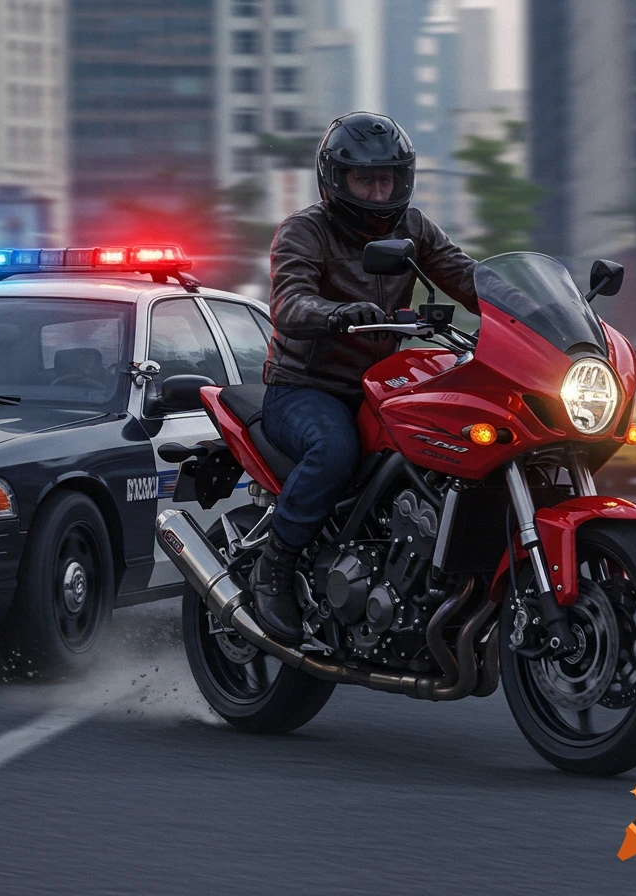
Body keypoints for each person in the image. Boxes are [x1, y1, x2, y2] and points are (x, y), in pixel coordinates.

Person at [250, 111, 481, 643]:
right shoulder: (305, 230)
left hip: (381, 386)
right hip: (306, 388)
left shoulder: (413, 228)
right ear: (336, 181)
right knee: (335, 449)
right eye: (366, 181)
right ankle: (275, 562)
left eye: (389, 180)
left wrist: (529, 305)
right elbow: (289, 300)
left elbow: (465, 275)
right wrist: (335, 313)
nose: (380, 193)